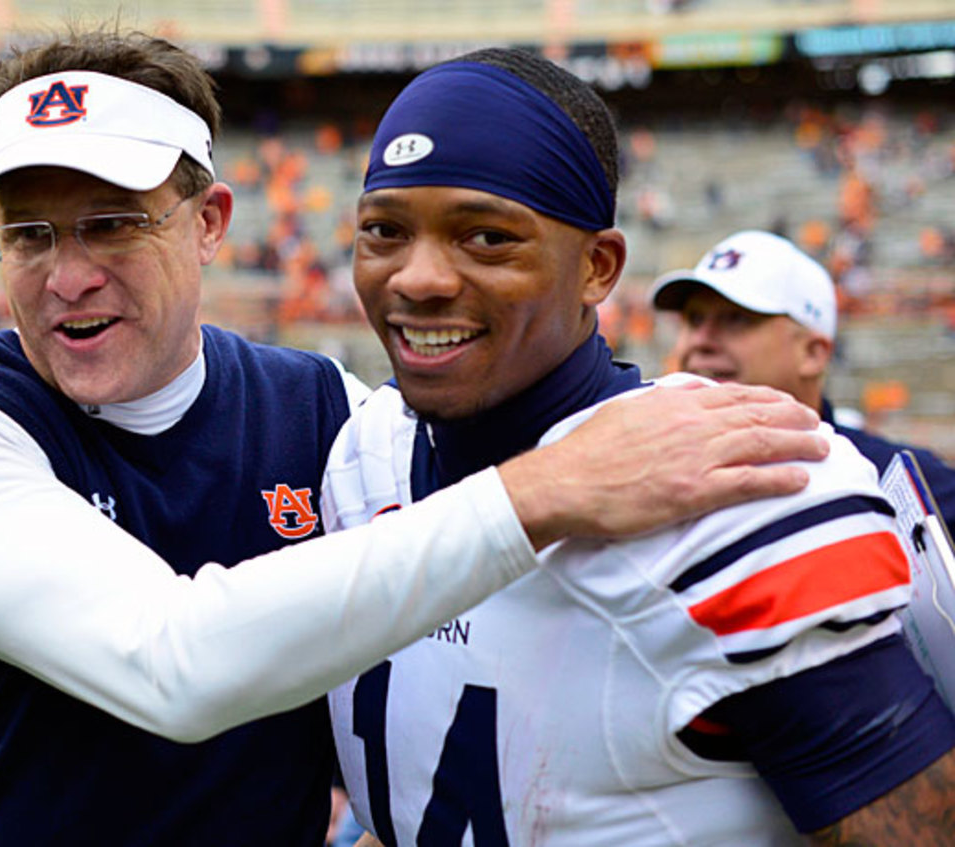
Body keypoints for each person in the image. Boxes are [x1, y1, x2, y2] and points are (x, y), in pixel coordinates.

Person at [0, 29, 831, 846]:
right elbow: (171, 662)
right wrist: (549, 486)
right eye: (28, 233)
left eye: (111, 224)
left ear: (209, 222)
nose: (68, 275)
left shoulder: (321, 412)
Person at [322, 48, 955, 845]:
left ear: (597, 266)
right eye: (383, 230)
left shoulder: (742, 490)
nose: (417, 277)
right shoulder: (359, 457)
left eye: (485, 236)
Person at [650, 228, 955, 531]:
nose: (700, 340)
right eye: (694, 319)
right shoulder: (646, 467)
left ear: (812, 353)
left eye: (736, 319)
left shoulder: (912, 486)